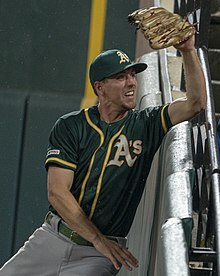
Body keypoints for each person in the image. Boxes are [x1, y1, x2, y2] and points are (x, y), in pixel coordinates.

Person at [0, 35, 206, 276]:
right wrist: (97, 238)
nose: (131, 83)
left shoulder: (147, 123)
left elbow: (195, 103)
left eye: (132, 75)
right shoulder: (71, 126)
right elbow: (57, 192)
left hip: (100, 254)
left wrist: (188, 50)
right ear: (100, 87)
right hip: (53, 237)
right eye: (121, 77)